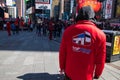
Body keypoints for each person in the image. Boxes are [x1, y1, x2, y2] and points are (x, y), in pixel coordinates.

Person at [59, 5, 106, 80]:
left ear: (79, 16)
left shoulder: (68, 31)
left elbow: (62, 53)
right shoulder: (101, 35)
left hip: (70, 74)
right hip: (87, 76)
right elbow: (101, 60)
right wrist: (97, 74)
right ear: (93, 17)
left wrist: (62, 67)